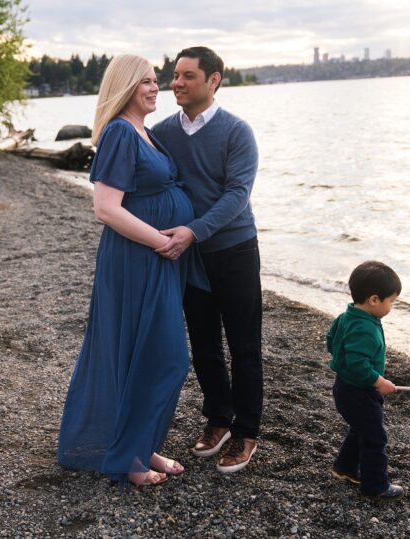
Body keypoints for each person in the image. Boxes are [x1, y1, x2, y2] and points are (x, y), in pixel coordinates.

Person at [57, 54, 207, 487]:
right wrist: (163, 241)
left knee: (142, 356)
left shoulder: (146, 132)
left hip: (156, 260)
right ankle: (128, 457)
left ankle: (140, 448)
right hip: (138, 260)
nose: (155, 87)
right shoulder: (122, 132)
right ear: (124, 86)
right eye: (145, 81)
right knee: (165, 359)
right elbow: (105, 208)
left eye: (156, 80)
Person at [151, 46, 262, 473]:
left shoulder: (237, 132)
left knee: (245, 347)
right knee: (204, 346)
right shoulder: (162, 132)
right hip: (189, 257)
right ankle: (219, 419)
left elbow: (238, 195)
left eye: (187, 76)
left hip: (235, 251)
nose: (175, 83)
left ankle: (247, 432)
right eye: (174, 75)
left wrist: (194, 229)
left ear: (213, 80)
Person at [325, 260, 406, 499]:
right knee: (375, 438)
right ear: (374, 300)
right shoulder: (365, 328)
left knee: (361, 429)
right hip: (358, 391)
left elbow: (331, 340)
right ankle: (376, 485)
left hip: (346, 386)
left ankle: (345, 467)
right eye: (391, 301)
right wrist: (379, 382)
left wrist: (342, 360)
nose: (392, 305)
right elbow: (359, 365)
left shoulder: (347, 316)